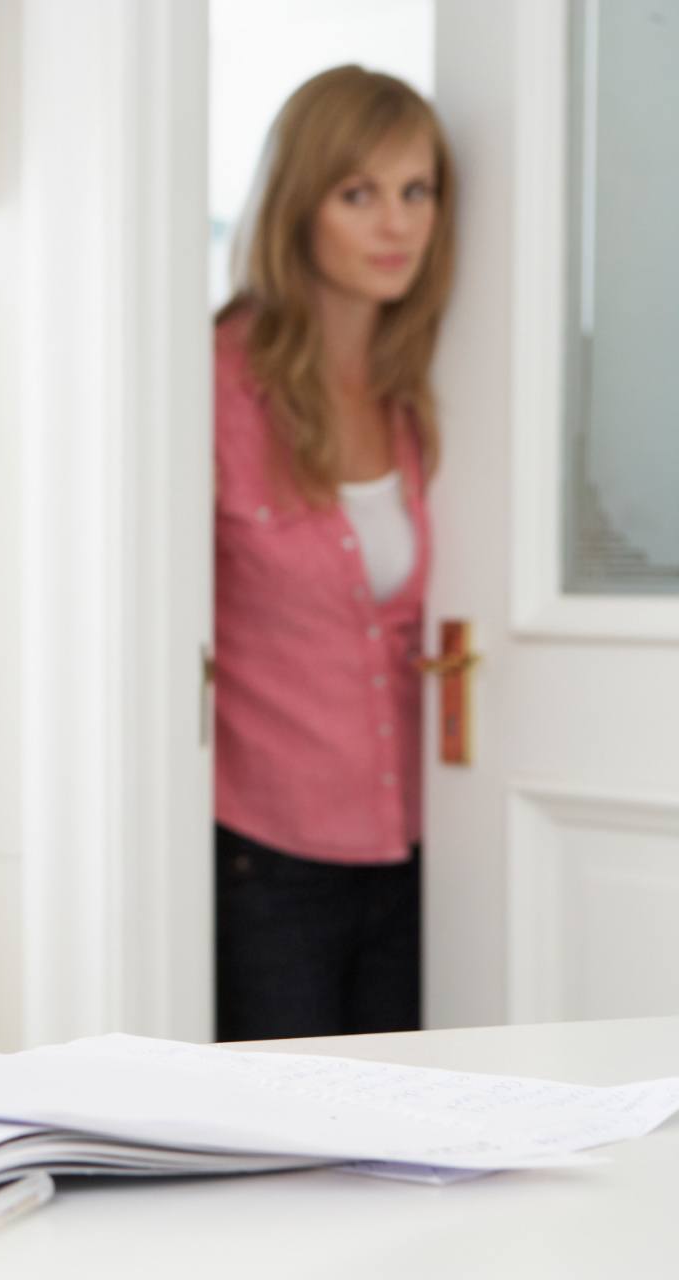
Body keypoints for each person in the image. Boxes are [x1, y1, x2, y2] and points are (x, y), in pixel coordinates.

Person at [213, 66, 456, 1041]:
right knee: (288, 1162)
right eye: (357, 194)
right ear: (296, 205)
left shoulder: (417, 386)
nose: (394, 224)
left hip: (412, 850)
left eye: (415, 190)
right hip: (266, 859)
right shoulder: (216, 380)